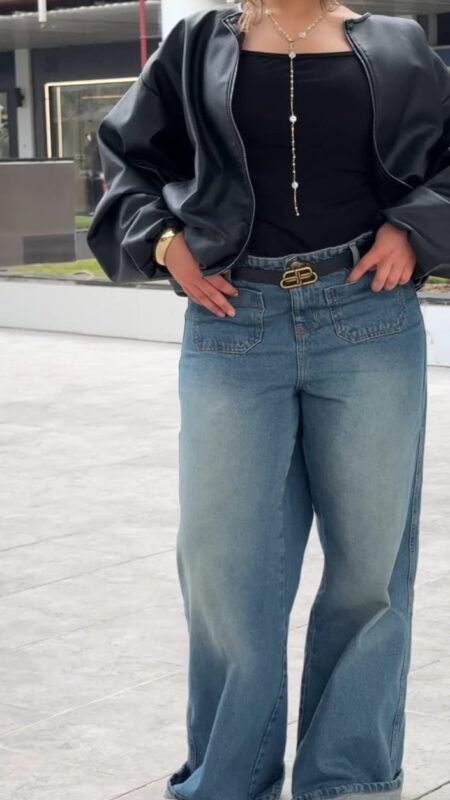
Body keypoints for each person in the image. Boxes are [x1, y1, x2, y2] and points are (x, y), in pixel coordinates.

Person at [87, 2, 450, 799]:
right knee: (224, 572)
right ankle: (227, 783)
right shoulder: (195, 45)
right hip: (232, 322)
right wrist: (163, 243)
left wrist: (416, 227)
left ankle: (347, 784)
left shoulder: (398, 44)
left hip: (365, 316)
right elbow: (124, 156)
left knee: (369, 575)